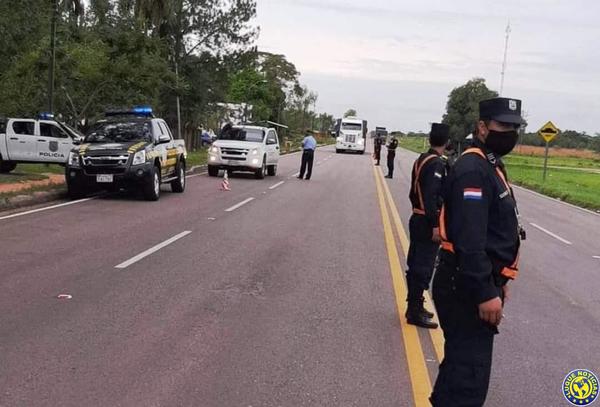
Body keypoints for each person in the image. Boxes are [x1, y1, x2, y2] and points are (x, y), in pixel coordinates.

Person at [430, 97, 525, 406]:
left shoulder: (490, 163)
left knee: (460, 368)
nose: (510, 132)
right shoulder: (473, 168)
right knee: (467, 380)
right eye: (503, 126)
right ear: (482, 127)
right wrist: (485, 290)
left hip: (472, 283)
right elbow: (470, 238)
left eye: (515, 127)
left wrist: (501, 281)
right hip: (466, 289)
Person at [405, 123, 450, 329]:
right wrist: (435, 225)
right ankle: (414, 310)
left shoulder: (421, 159)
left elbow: (413, 192)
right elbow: (431, 196)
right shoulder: (436, 164)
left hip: (417, 217)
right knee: (422, 266)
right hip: (426, 221)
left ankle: (414, 306)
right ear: (447, 141)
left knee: (415, 264)